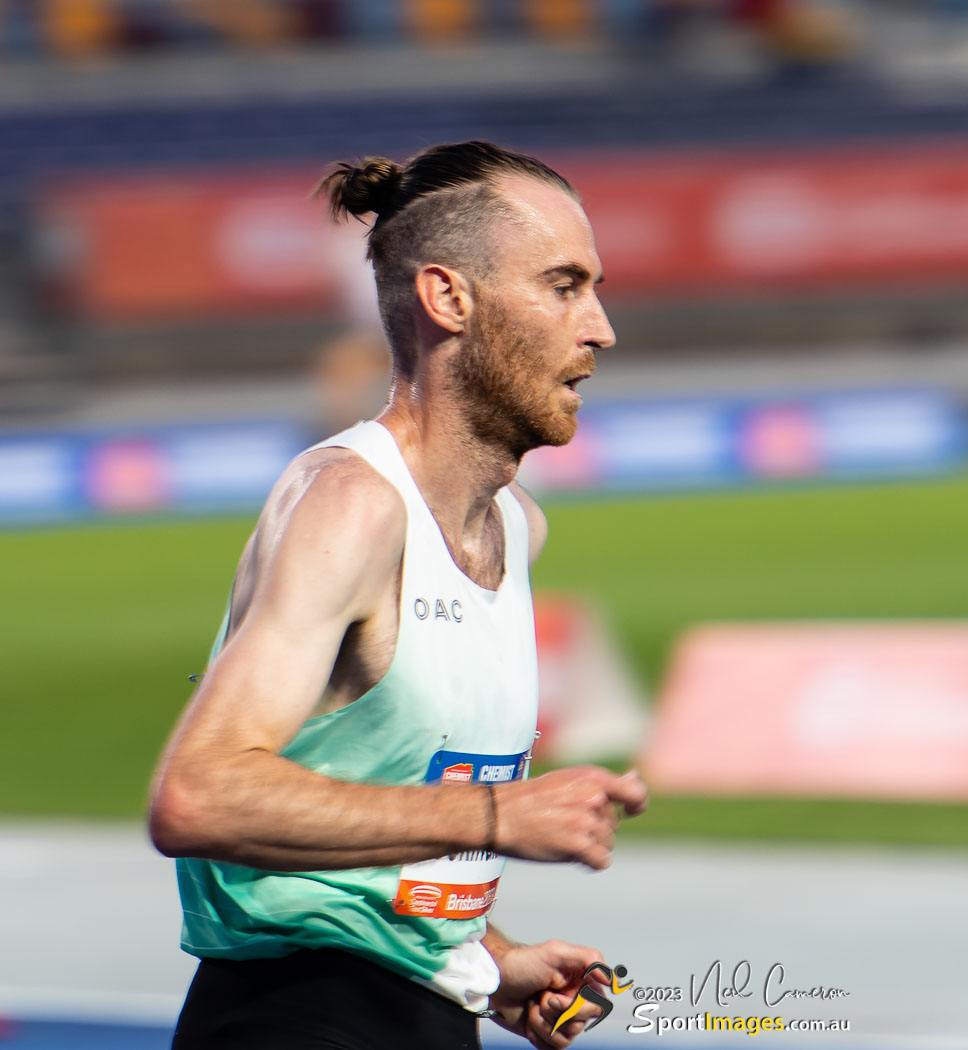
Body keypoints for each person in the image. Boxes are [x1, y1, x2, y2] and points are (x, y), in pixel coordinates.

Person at [147, 140, 649, 1050]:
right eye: (565, 285)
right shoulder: (352, 507)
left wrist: (481, 958)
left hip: (416, 1013)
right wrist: (498, 817)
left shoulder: (518, 529)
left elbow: (363, 799)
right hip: (293, 1021)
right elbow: (198, 795)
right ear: (449, 297)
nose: (601, 327)